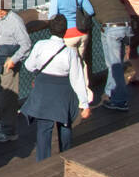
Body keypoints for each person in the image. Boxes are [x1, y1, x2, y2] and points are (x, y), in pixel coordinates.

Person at [22, 12, 91, 159]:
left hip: (43, 89)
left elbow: (28, 66)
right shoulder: (70, 52)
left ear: (50, 29)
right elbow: (77, 79)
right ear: (65, 31)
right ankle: (66, 156)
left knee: (43, 128)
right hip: (62, 90)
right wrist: (84, 104)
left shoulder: (40, 45)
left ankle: (43, 161)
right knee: (64, 124)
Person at [79, 0, 131, 112]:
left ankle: (120, 101)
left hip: (111, 27)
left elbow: (89, 10)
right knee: (116, 63)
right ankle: (110, 93)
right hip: (126, 23)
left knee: (114, 66)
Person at [46, 0, 95, 100]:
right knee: (81, 62)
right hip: (83, 34)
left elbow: (52, 16)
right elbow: (90, 11)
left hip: (68, 36)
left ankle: (73, 95)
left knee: (70, 66)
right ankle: (86, 91)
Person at [0, 0, 32, 143]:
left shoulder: (15, 21)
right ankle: (4, 124)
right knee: (1, 96)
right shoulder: (2, 19)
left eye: (2, 9)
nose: (0, 12)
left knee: (8, 98)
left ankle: (9, 132)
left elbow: (26, 44)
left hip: (8, 64)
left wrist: (13, 60)